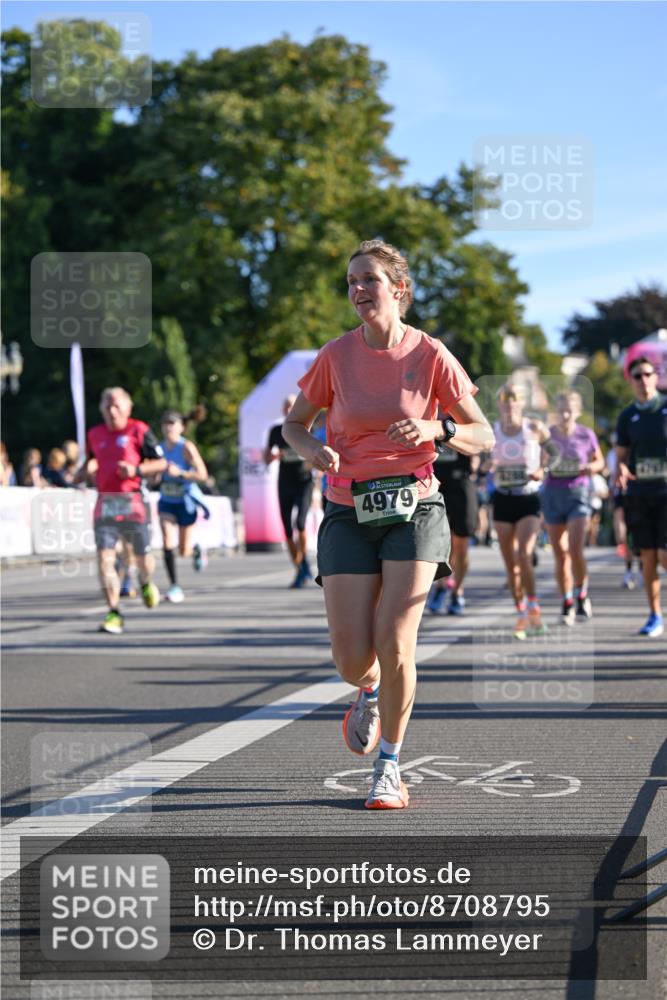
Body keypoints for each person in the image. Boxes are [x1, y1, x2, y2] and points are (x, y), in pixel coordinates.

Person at [282, 239, 494, 810]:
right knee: (353, 656)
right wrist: (313, 450)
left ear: (398, 289)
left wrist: (438, 431)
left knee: (397, 640)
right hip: (348, 509)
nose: (357, 290)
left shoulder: (430, 355)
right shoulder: (336, 356)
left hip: (417, 508)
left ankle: (390, 766)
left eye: (368, 279)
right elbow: (294, 425)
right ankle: (367, 689)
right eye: (351, 281)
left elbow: (484, 434)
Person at [78, 387, 166, 634]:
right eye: (107, 406)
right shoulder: (95, 434)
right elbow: (93, 459)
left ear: (128, 407)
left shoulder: (139, 430)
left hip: (134, 502)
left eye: (116, 405)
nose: (112, 410)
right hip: (105, 503)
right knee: (105, 559)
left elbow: (161, 462)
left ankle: (146, 581)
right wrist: (81, 472)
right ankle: (114, 612)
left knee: (144, 561)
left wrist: (135, 470)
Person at [490, 382, 551, 639]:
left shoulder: (534, 427)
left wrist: (543, 470)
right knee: (510, 564)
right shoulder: (492, 430)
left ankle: (534, 605)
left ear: (522, 402)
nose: (509, 401)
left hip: (528, 499)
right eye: (504, 396)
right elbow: (481, 454)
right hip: (503, 499)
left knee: (524, 555)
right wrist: (484, 464)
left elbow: (554, 451)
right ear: (499, 402)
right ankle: (522, 612)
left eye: (514, 396)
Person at [540, 391, 605, 624]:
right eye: (561, 410)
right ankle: (566, 601)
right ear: (556, 412)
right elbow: (540, 463)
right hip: (553, 494)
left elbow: (601, 461)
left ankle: (581, 594)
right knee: (560, 553)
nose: (565, 414)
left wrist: (591, 467)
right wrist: (543, 466)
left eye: (569, 410)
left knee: (576, 549)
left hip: (578, 493)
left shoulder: (586, 435)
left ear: (577, 412)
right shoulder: (548, 435)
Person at [615, 357, 667, 637]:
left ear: (655, 377)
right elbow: (621, 457)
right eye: (638, 375)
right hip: (639, 494)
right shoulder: (627, 416)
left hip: (666, 491)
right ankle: (655, 615)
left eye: (648, 374)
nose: (644, 379)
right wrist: (621, 470)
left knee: (664, 555)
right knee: (648, 557)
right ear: (631, 380)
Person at [426, 421, 480, 615]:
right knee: (441, 542)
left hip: (461, 483)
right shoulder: (424, 411)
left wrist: (475, 459)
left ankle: (457, 590)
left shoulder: (460, 412)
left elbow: (479, 439)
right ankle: (441, 586)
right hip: (433, 483)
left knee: (461, 544)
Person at [158, 409, 210, 602]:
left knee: (183, 551)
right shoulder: (159, 449)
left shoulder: (186, 447)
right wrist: (155, 475)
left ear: (181, 427)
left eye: (172, 424)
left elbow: (202, 475)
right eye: (165, 423)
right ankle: (174, 587)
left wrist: (180, 473)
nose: (168, 427)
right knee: (166, 540)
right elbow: (154, 475)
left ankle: (196, 549)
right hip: (166, 501)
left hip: (185, 502)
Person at [264, 395, 315, 588]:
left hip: (304, 482)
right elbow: (266, 457)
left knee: (300, 523)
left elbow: (317, 454)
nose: (288, 410)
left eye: (292, 406)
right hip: (284, 482)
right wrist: (273, 456)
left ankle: (304, 564)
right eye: (285, 407)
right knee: (286, 530)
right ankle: (301, 567)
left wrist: (309, 459)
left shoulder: (307, 429)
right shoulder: (277, 431)